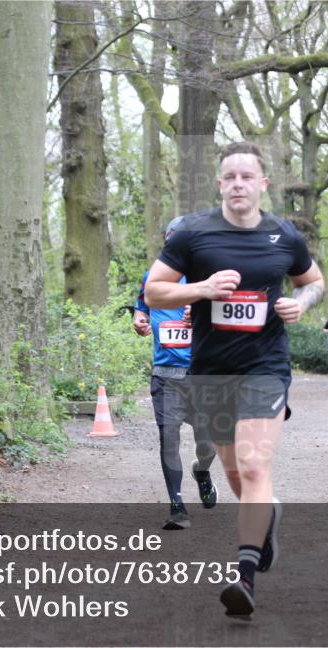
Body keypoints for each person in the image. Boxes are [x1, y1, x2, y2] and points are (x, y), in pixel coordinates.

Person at [145, 141, 324, 618]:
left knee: (253, 464)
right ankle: (268, 516)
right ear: (219, 183)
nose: (238, 184)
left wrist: (300, 304)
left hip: (265, 368)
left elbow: (313, 281)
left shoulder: (284, 236)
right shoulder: (192, 234)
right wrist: (203, 288)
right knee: (233, 474)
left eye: (247, 177)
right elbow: (154, 291)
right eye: (230, 177)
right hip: (212, 372)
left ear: (263, 183)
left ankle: (244, 577)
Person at [133, 223, 218, 530]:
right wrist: (139, 318)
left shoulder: (211, 279)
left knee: (207, 443)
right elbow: (142, 304)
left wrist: (203, 315)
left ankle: (202, 471)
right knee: (168, 438)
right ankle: (177, 506)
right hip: (166, 375)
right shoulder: (153, 277)